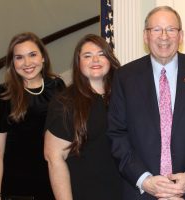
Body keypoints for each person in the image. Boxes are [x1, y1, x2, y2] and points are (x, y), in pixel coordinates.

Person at [107, 5, 185, 200]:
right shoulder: (125, 77)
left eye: (171, 29)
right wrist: (144, 179)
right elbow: (117, 133)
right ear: (146, 36)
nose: (164, 36)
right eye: (156, 29)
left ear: (181, 36)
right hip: (141, 192)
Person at [44, 34, 122, 200]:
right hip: (85, 193)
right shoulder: (65, 102)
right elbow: (54, 158)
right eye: (87, 56)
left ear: (110, 59)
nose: (95, 60)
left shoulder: (124, 97)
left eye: (101, 54)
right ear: (78, 63)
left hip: (126, 192)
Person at [0, 32, 65, 199]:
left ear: (43, 57)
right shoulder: (4, 94)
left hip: (54, 183)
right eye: (19, 57)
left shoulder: (57, 86)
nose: (27, 63)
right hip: (17, 188)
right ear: (12, 63)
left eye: (32, 55)